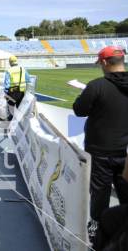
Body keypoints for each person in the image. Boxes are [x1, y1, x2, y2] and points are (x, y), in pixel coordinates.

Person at [73, 46, 128, 245]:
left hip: (99, 151)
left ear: (104, 63)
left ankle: (98, 239)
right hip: (124, 151)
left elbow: (79, 110)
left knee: (99, 198)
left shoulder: (97, 85)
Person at [4, 55, 30, 119]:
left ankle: (11, 118)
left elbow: (7, 83)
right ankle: (18, 120)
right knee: (19, 106)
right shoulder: (22, 69)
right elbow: (28, 79)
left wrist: (6, 92)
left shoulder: (9, 71)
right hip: (21, 91)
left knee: (10, 106)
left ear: (10, 62)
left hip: (12, 91)